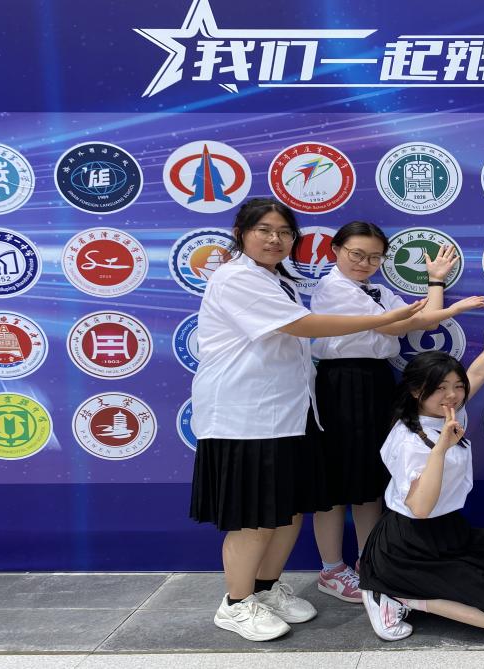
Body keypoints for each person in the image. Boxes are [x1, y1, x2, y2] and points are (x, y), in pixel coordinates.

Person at [189, 198, 424, 642]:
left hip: (289, 413)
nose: (275, 239)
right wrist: (383, 318)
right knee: (254, 517)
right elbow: (303, 327)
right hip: (245, 415)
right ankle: (236, 604)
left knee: (287, 510)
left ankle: (266, 588)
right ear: (241, 233)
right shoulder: (237, 277)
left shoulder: (279, 280)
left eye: (284, 232)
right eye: (264, 230)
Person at [308, 221, 484, 603]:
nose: (365, 263)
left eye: (374, 257)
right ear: (335, 250)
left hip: (376, 380)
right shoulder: (333, 288)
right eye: (357, 254)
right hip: (341, 384)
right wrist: (455, 306)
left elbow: (425, 319)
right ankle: (331, 570)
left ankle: (370, 561)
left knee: (371, 479)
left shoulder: (379, 291)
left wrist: (435, 281)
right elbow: (399, 326)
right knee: (336, 482)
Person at [358, 297, 484, 641]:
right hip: (409, 546)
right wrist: (440, 450)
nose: (452, 395)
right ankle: (396, 595)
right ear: (415, 391)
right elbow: (421, 508)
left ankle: (399, 588)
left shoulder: (446, 413)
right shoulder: (410, 441)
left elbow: (478, 371)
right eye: (440, 388)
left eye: (457, 386)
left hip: (449, 532)